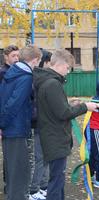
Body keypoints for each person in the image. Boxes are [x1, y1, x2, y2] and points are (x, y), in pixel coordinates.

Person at [33, 49, 98, 200]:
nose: (68, 71)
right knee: (56, 180)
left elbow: (56, 107)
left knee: (57, 178)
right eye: (67, 67)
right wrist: (85, 107)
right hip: (55, 137)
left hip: (53, 135)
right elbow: (63, 113)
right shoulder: (52, 84)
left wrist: (69, 104)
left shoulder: (48, 82)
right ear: (60, 64)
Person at [0, 45, 42, 200]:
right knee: (19, 173)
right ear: (35, 60)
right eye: (39, 61)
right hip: (16, 130)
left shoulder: (12, 72)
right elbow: (13, 104)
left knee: (14, 172)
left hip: (11, 129)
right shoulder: (25, 77)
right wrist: (2, 124)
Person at [29, 50, 52, 200]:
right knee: (39, 158)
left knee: (44, 157)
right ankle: (33, 190)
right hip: (38, 125)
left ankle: (42, 186)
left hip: (44, 124)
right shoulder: (35, 80)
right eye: (50, 62)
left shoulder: (42, 78)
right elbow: (34, 104)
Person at [0, 44, 19, 195]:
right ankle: (9, 186)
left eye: (18, 56)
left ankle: (12, 185)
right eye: (13, 56)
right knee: (8, 155)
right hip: (6, 120)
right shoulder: (3, 73)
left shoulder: (17, 72)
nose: (16, 59)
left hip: (16, 121)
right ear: (6, 57)